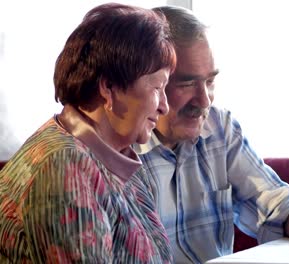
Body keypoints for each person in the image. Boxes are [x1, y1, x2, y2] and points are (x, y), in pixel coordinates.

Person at [135, 5, 289, 264]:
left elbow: (272, 200)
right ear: (152, 83)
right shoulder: (117, 148)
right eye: (186, 83)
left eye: (209, 82)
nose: (204, 100)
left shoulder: (219, 127)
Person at [0, 3, 176, 263]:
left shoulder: (110, 156)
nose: (164, 106)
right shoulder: (62, 167)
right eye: (157, 88)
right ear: (108, 87)